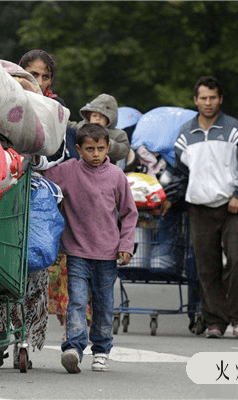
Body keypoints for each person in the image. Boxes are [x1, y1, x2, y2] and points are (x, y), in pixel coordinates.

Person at [160, 76, 238, 339]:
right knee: (207, 268)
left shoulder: (235, 130)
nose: (208, 103)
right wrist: (171, 198)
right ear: (195, 100)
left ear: (220, 99)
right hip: (199, 209)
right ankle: (215, 321)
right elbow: (182, 175)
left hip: (233, 207)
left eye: (213, 97)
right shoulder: (185, 134)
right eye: (203, 98)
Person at [0, 49, 62, 369]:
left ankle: (25, 336)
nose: (37, 82)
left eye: (44, 77)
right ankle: (0, 333)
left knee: (33, 269)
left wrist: (32, 149)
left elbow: (54, 154)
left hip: (32, 200)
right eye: (30, 75)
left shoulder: (53, 111)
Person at [42, 123, 138, 373]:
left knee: (104, 304)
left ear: (109, 148)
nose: (96, 154)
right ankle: (73, 347)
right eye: (89, 149)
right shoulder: (67, 171)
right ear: (78, 149)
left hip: (107, 254)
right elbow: (43, 182)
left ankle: (102, 350)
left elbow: (129, 213)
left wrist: (126, 245)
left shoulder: (117, 175)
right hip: (76, 252)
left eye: (101, 148)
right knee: (76, 302)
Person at [68, 93, 131, 164]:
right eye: (94, 115)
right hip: (81, 165)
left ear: (110, 118)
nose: (97, 118)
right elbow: (71, 126)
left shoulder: (117, 134)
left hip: (105, 169)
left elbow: (124, 150)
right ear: (89, 117)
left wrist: (109, 144)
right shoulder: (83, 127)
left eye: (102, 116)